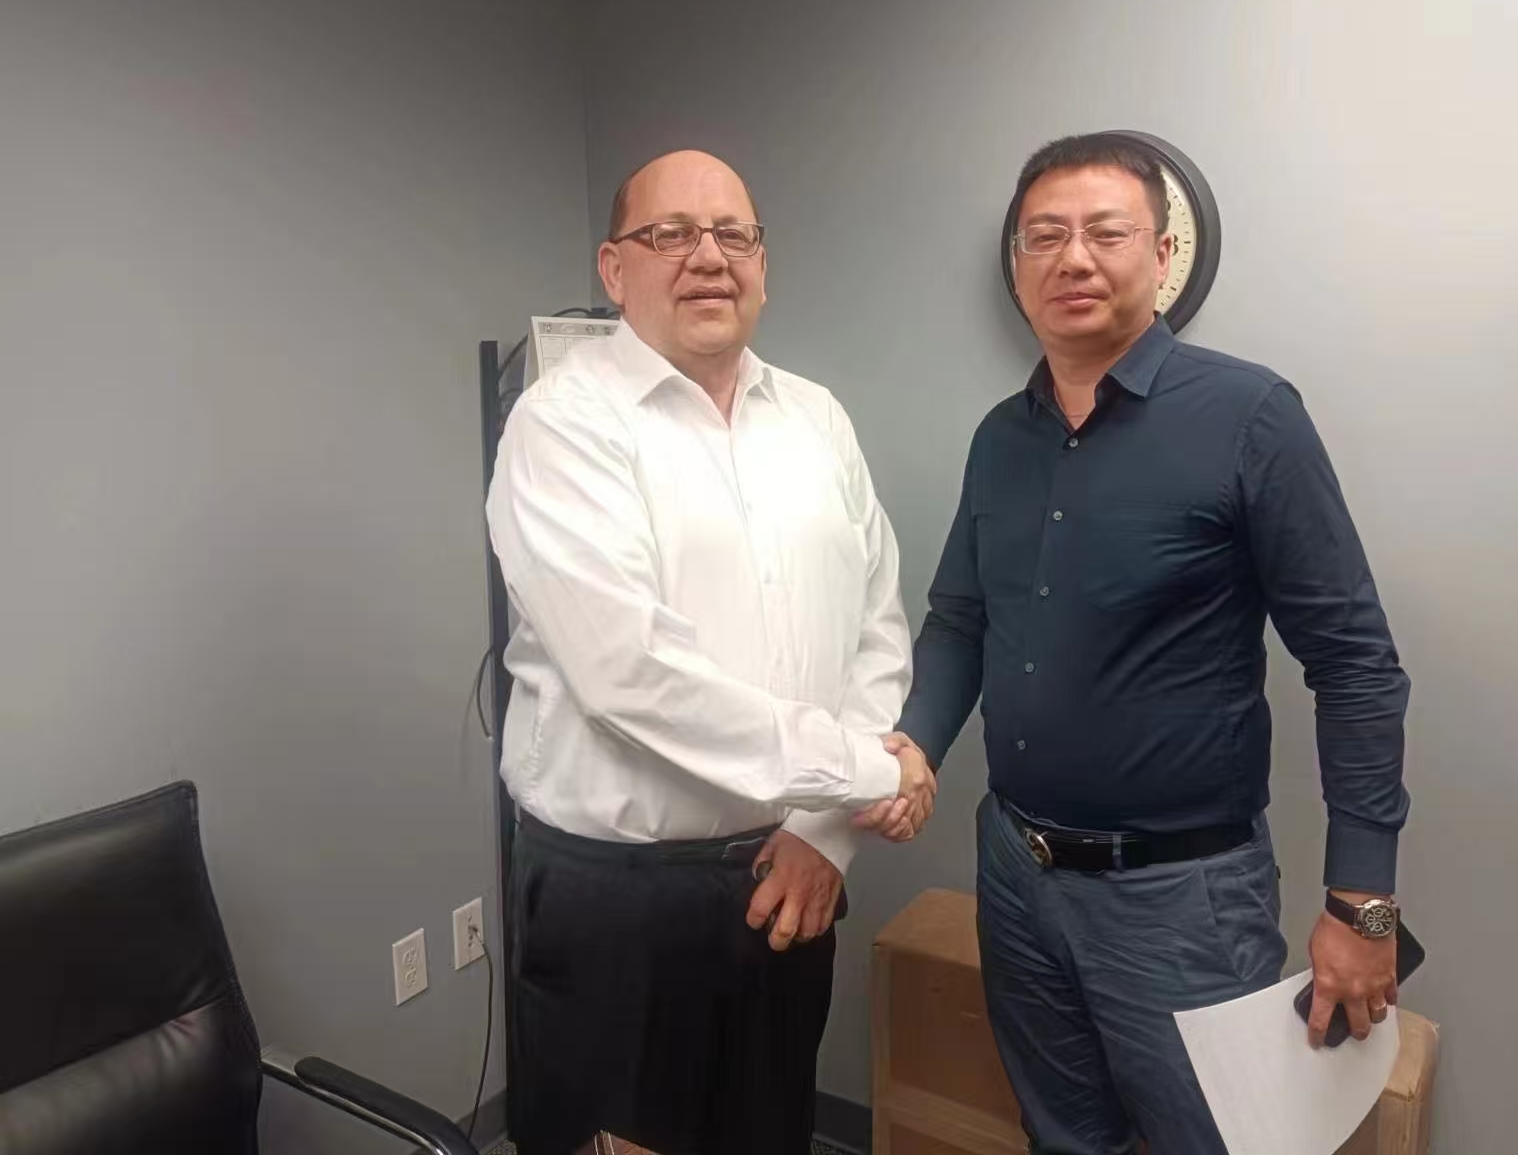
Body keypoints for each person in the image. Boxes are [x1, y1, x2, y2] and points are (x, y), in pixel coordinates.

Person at [894, 132, 1412, 1155]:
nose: (1073, 258)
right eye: (1045, 236)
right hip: (1016, 872)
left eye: (1105, 232)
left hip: (1180, 899)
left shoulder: (1248, 416)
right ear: (1016, 266)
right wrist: (913, 743)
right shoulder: (1000, 436)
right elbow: (959, 619)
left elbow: (1355, 665)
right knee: (1064, 1138)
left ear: (1162, 254)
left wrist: (1363, 902)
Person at [486, 149, 937, 1155]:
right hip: (623, 905)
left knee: (771, 1132)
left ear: (762, 265)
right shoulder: (562, 424)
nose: (707, 256)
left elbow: (874, 625)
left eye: (732, 233)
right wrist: (871, 773)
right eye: (671, 234)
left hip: (791, 874)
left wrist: (825, 830)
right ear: (614, 269)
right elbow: (629, 675)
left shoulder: (816, 418)